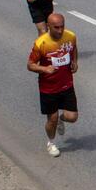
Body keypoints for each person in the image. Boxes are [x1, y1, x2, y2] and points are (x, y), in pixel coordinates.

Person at [26, 13, 78, 157]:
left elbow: (73, 50)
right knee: (52, 118)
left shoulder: (70, 36)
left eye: (62, 26)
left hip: (66, 84)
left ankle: (61, 121)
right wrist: (44, 69)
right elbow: (30, 65)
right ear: (48, 27)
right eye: (56, 27)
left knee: (72, 117)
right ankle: (51, 143)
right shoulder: (41, 43)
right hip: (48, 88)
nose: (60, 30)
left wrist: (75, 62)